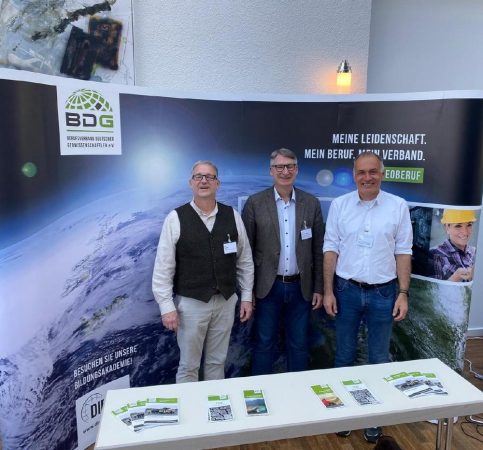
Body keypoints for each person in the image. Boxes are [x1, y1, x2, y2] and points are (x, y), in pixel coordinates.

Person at [322, 151, 412, 443]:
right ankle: (343, 415)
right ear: (354, 175)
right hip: (345, 290)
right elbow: (330, 248)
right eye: (361, 172)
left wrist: (403, 293)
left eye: (373, 171)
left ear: (382, 174)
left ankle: (374, 418)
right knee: (343, 356)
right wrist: (328, 291)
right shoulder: (340, 205)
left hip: (384, 293)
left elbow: (403, 252)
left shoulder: (398, 206)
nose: (367, 177)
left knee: (378, 359)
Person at [152, 160, 254, 383]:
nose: (204, 181)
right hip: (191, 305)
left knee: (217, 361)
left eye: (210, 176)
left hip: (225, 302)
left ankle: (214, 403)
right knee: (188, 366)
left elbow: (245, 260)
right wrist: (166, 306)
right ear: (191, 183)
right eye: (198, 176)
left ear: (218, 183)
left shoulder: (232, 215)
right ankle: (189, 406)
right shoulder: (175, 218)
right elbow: (163, 268)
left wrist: (246, 296)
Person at [242, 148, 324, 375]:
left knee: (299, 344)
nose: (285, 171)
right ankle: (260, 391)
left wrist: (319, 288)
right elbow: (246, 253)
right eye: (279, 167)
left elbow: (318, 250)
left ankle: (297, 392)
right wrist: (247, 292)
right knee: (264, 344)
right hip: (267, 289)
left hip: (301, 289)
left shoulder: (311, 203)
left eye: (290, 166)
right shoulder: (255, 203)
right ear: (271, 171)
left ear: (297, 170)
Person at [429, 209, 477, 281]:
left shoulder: (475, 252)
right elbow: (433, 287)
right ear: (447, 227)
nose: (465, 232)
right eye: (458, 226)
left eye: (469, 225)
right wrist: (455, 277)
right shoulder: (434, 255)